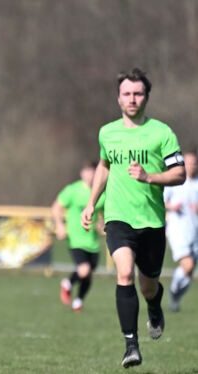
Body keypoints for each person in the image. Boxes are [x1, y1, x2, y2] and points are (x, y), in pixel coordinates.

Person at [81, 68, 185, 369]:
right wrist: (91, 203)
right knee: (123, 272)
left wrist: (149, 176)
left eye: (138, 93)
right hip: (118, 218)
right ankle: (131, 345)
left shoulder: (162, 133)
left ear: (146, 97)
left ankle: (155, 305)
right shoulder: (107, 132)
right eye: (126, 93)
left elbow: (180, 173)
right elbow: (103, 166)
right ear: (118, 98)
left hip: (151, 221)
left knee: (147, 285)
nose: (132, 98)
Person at [52, 161, 104, 312]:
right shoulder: (72, 190)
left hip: (93, 241)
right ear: (82, 173)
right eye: (87, 171)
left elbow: (104, 213)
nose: (90, 175)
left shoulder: (102, 193)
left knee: (88, 274)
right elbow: (56, 207)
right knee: (84, 269)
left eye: (93, 171)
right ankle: (67, 283)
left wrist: (102, 222)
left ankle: (78, 301)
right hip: (76, 239)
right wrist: (60, 225)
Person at [164, 150, 198, 312]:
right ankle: (173, 290)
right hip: (177, 232)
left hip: (195, 233)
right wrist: (172, 206)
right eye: (188, 162)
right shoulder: (175, 181)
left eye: (194, 162)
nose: (191, 165)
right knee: (188, 266)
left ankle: (175, 298)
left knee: (189, 273)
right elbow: (162, 201)